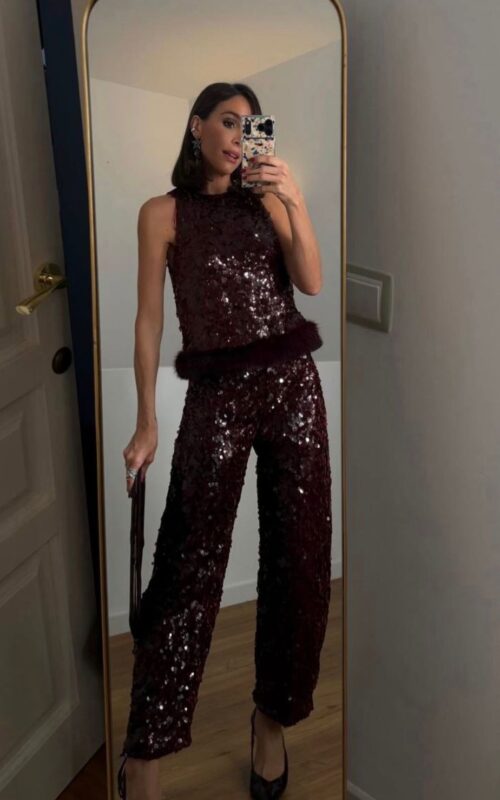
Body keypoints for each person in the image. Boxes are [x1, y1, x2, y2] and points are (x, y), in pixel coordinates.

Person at [118, 82, 333, 800]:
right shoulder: (162, 213)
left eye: (251, 124)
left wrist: (292, 198)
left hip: (293, 389)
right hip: (217, 395)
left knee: (299, 557)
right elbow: (149, 320)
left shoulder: (264, 199)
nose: (240, 136)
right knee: (186, 565)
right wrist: (147, 419)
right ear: (197, 127)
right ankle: (144, 754)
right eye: (228, 121)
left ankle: (270, 725)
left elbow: (311, 281)